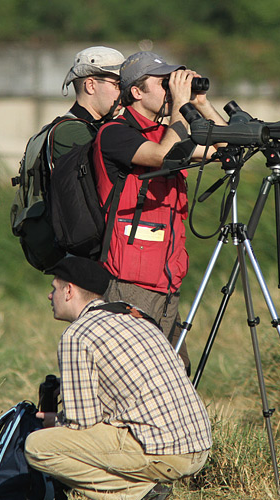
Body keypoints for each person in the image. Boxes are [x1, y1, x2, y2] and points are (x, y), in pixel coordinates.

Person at [24, 256, 211, 500]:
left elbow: (82, 424)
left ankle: (138, 494)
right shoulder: (134, 314)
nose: (50, 296)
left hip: (164, 452)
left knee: (38, 447)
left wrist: (54, 421)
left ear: (69, 291)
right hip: (199, 445)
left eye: (54, 288)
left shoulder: (77, 335)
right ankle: (148, 490)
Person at [92, 51, 228, 371]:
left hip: (166, 280)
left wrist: (201, 102)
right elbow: (163, 155)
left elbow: (225, 149)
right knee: (134, 377)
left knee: (176, 373)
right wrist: (180, 104)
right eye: (163, 83)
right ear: (136, 92)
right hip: (128, 282)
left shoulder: (164, 131)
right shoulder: (114, 133)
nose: (170, 89)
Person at [51, 45, 125, 160]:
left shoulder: (96, 127)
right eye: (118, 85)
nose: (123, 93)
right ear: (91, 86)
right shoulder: (70, 131)